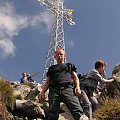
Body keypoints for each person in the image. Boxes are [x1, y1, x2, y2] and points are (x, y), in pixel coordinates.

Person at [38, 48, 88, 120]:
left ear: (65, 56)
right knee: (53, 113)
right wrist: (43, 92)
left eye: (61, 54)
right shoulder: (52, 68)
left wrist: (77, 87)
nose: (59, 56)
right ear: (55, 57)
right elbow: (48, 82)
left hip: (67, 88)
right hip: (54, 90)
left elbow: (75, 77)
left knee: (77, 110)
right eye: (57, 54)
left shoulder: (69, 65)